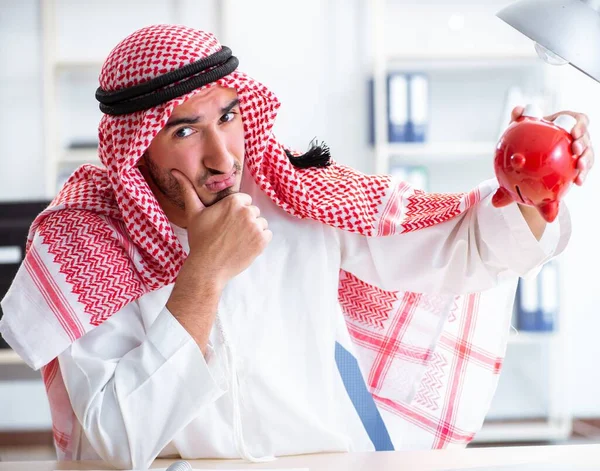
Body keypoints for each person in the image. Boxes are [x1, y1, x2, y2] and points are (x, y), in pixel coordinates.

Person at [0, 24, 594, 469]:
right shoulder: (91, 247)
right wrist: (202, 277)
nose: (222, 156)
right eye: (185, 131)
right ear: (137, 149)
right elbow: (112, 447)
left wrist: (532, 185)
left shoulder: (297, 196)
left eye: (228, 118)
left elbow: (468, 253)